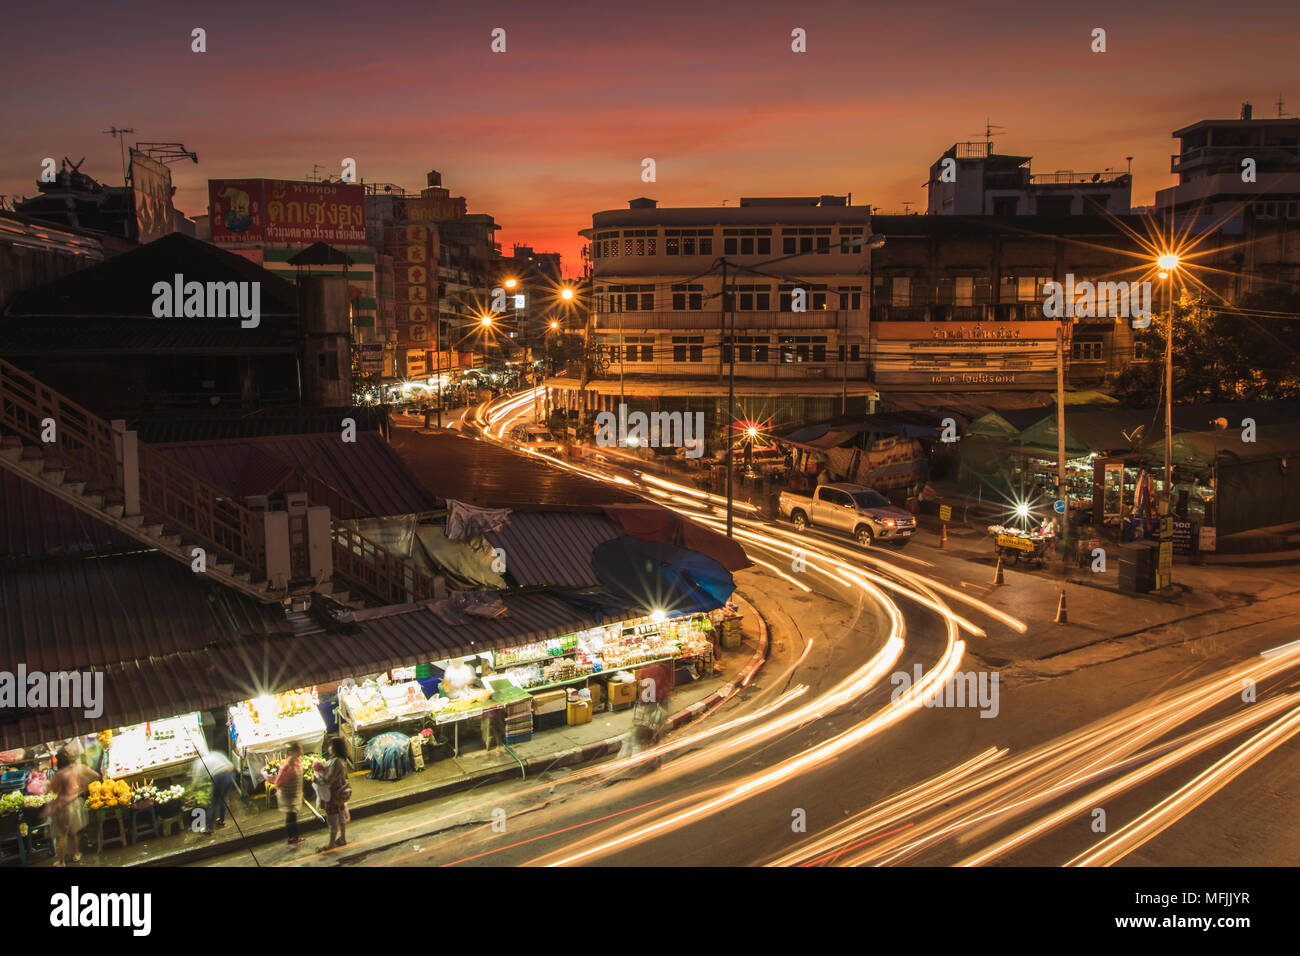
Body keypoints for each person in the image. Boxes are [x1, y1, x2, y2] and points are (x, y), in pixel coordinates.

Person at [44, 748, 98, 866]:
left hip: (63, 806)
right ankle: (76, 854)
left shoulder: (59, 775)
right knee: (74, 832)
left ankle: (61, 862)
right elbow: (96, 775)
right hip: (76, 804)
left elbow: (53, 790)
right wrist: (82, 786)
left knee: (61, 835)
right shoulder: (77, 768)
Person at [318, 737, 352, 852]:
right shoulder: (339, 760)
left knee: (332, 819)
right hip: (339, 793)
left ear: (334, 748)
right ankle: (342, 838)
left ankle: (331, 843)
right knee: (341, 815)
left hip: (334, 794)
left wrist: (317, 778)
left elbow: (329, 779)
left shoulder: (336, 761)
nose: (329, 748)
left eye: (331, 745)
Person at [192, 749, 236, 834]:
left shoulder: (200, 762)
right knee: (223, 797)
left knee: (214, 802)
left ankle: (209, 828)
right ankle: (222, 820)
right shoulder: (215, 754)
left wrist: (194, 791)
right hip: (230, 773)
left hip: (219, 777)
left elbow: (197, 779)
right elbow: (229, 763)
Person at [274, 742, 305, 849]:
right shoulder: (288, 765)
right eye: (299, 749)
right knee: (291, 819)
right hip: (288, 795)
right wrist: (278, 787)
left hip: (294, 793)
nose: (301, 751)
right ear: (294, 751)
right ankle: (293, 840)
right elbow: (280, 780)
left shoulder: (297, 761)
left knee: (293, 817)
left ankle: (294, 837)